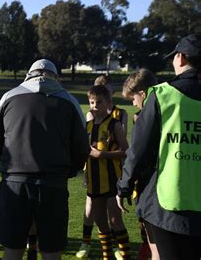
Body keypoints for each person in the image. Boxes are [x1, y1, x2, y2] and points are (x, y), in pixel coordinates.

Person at [0, 59, 89, 260]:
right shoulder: (69, 101)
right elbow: (81, 148)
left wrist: (7, 167)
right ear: (55, 77)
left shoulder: (9, 97)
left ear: (29, 74)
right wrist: (67, 172)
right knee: (51, 251)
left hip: (15, 184)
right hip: (53, 184)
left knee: (12, 249)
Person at [117, 34, 201, 260]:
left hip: (169, 202)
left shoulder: (163, 95)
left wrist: (124, 186)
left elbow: (138, 150)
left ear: (181, 58)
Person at [77, 75, 128, 260]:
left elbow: (125, 151)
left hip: (112, 178)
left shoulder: (114, 124)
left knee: (115, 219)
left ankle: (125, 253)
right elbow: (84, 151)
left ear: (108, 102)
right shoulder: (88, 125)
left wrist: (103, 155)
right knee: (100, 221)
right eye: (92, 102)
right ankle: (107, 255)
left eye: (99, 102)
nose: (95, 106)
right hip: (93, 178)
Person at [122, 68, 159, 260]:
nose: (133, 103)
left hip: (151, 188)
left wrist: (124, 186)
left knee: (154, 243)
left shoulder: (147, 116)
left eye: (133, 99)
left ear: (143, 94)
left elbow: (136, 154)